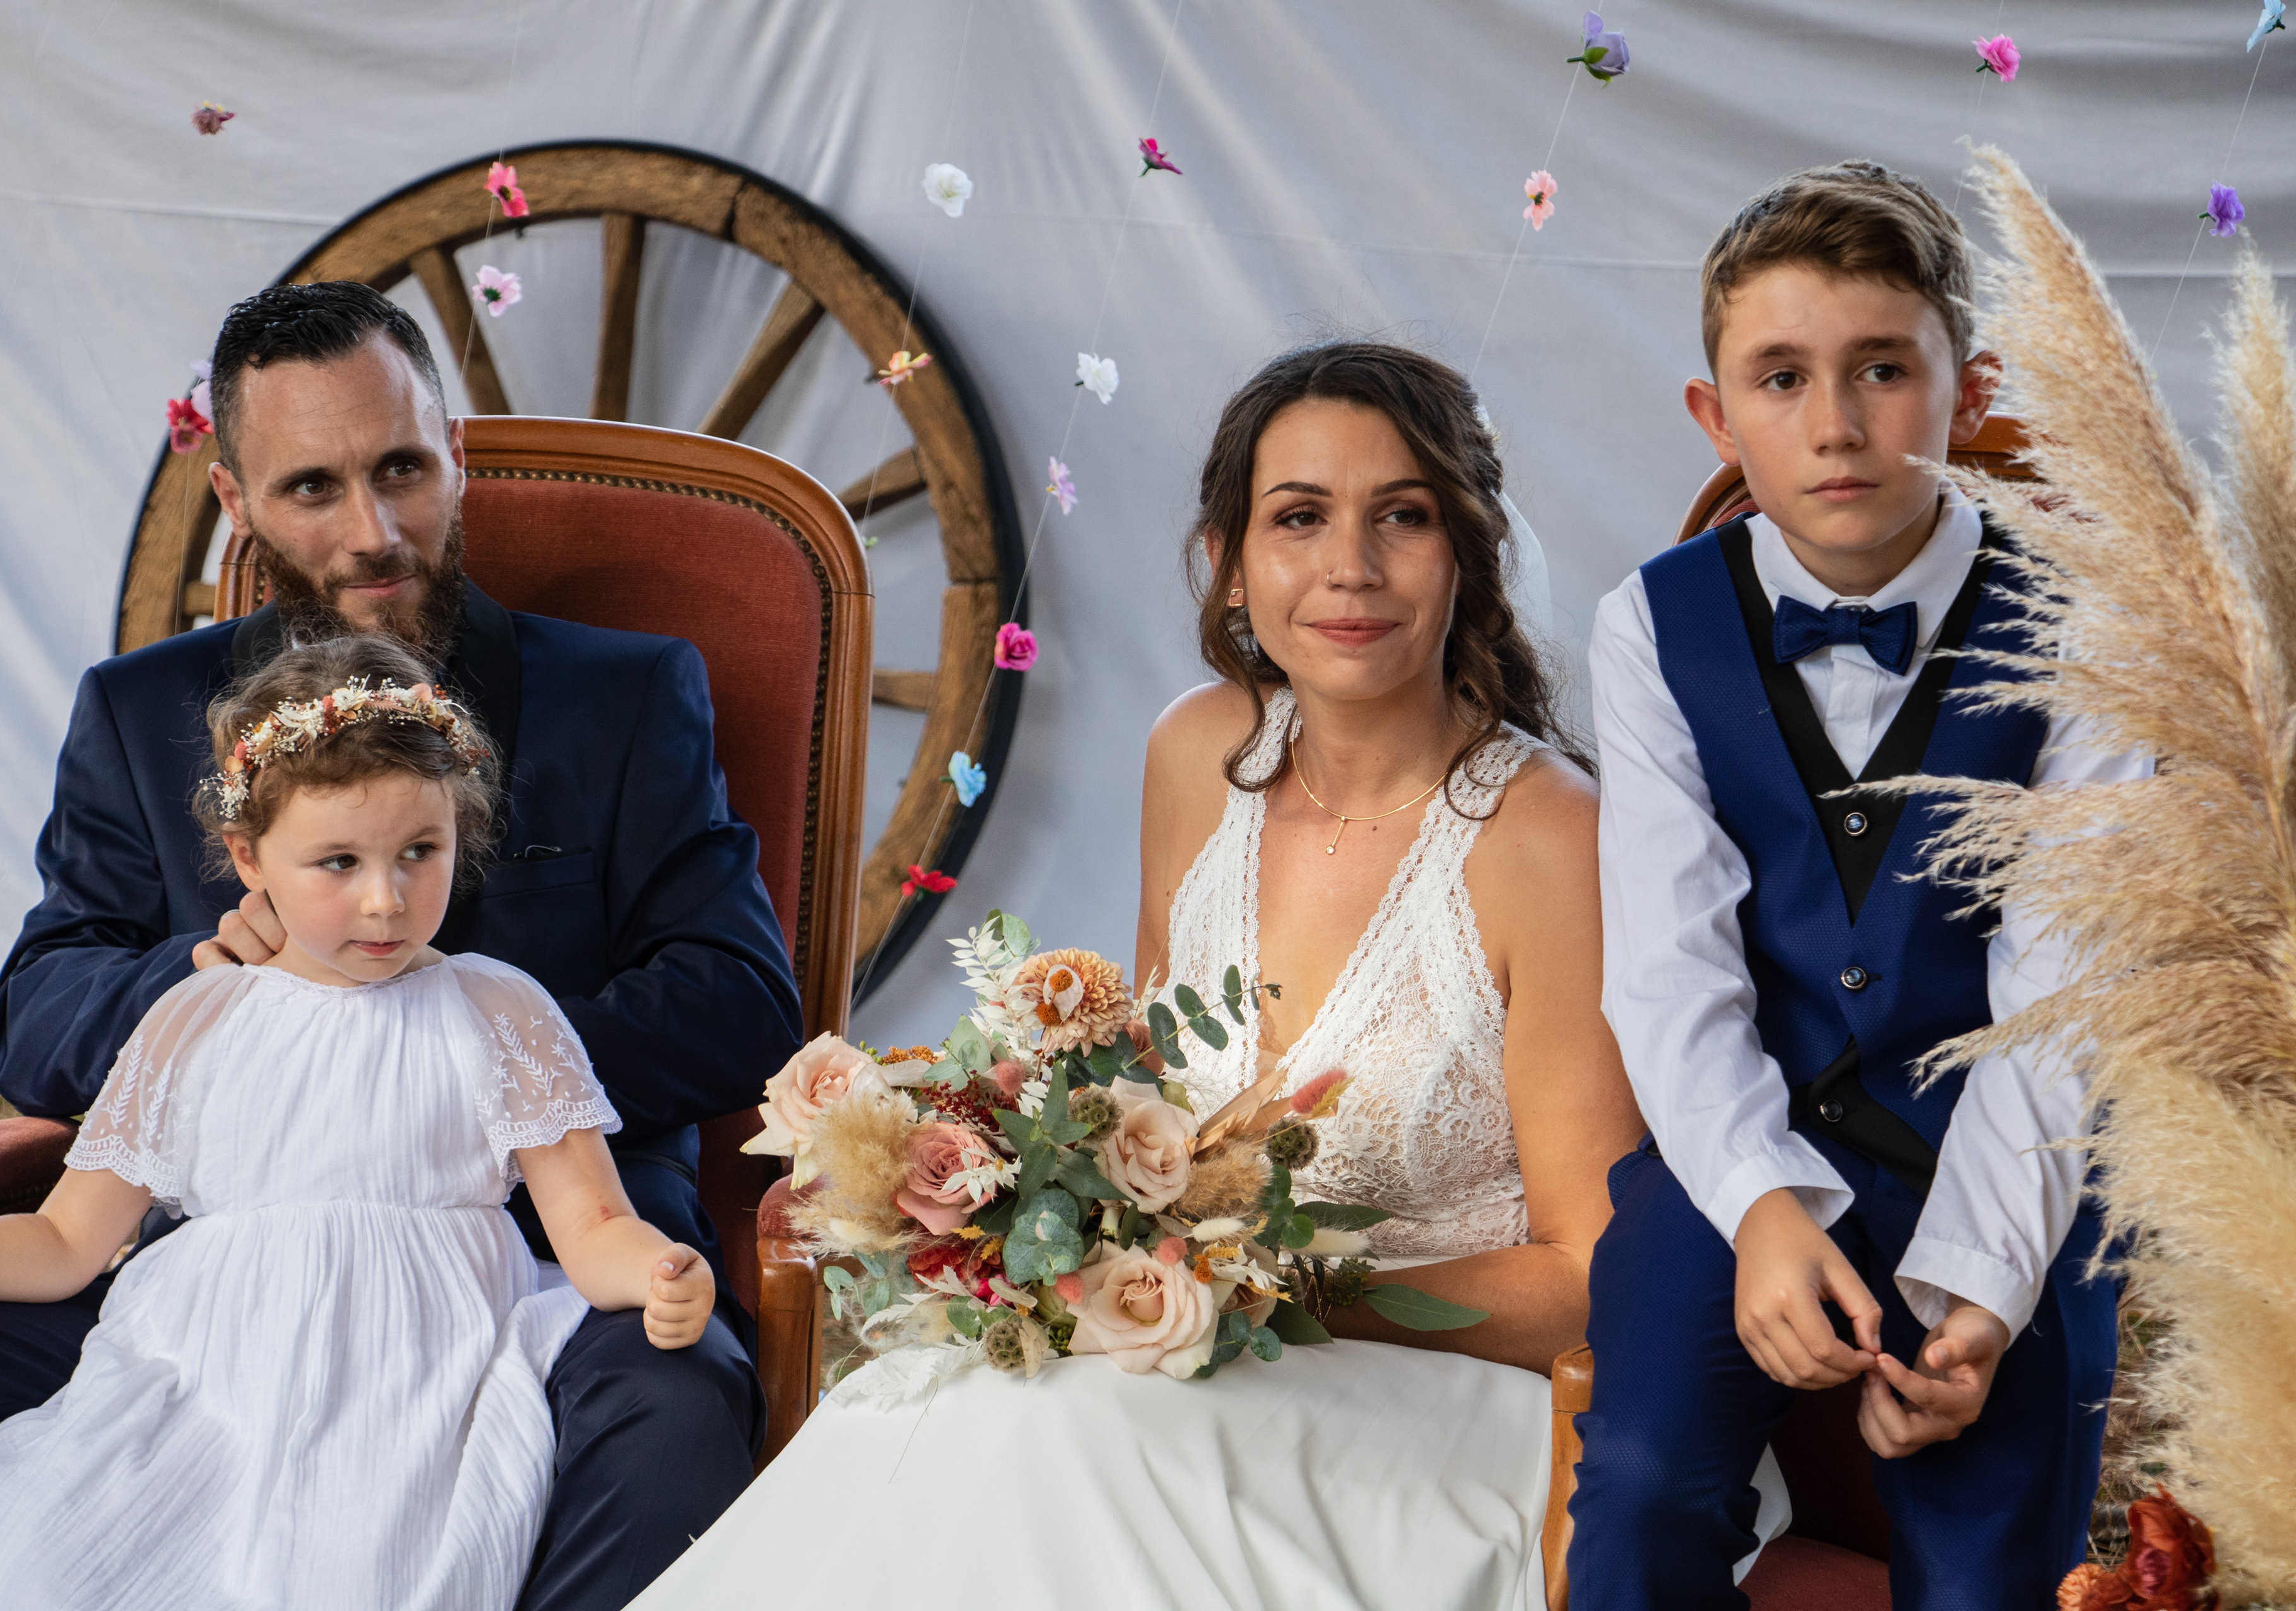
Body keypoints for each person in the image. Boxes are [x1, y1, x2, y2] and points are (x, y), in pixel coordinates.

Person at [628, 342, 1767, 1610]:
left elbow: (1589, 1280)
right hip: (1178, 1366)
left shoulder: (1550, 841)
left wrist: (1265, 1294)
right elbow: (1146, 1107)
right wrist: (1036, 1203)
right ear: (1230, 559)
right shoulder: (1198, 754)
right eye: (1300, 517)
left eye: (1403, 516)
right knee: (932, 1414)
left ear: (1470, 551)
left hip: (1455, 1411)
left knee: (1056, 1442)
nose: (1350, 565)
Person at [0, 283, 803, 1611]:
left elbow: (741, 996)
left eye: (403, 469)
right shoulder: (139, 712)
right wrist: (223, 992)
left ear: (455, 453)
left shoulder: (630, 693)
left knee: (675, 1408)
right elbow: (38, 1010)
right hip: (203, 1272)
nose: (374, 532)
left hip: (552, 1257)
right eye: (313, 487)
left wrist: (461, 1052)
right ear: (236, 498)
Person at [1570, 161, 2134, 1608]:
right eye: (1781, 377)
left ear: (1967, 387)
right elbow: (1671, 970)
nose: (1833, 424)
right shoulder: (1650, 625)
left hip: (2000, 1151)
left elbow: (2064, 1000)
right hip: (1738, 1134)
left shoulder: (2090, 623)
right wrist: (1761, 1203)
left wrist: (1981, 1288)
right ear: (1716, 414)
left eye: (1883, 368)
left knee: (1991, 1566)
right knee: (1640, 1491)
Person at [0, 636, 714, 1609]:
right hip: (204, 1372)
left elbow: (593, 1223)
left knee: (350, 1574)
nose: (386, 899)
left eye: (420, 852)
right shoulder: (195, 1022)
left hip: (417, 1377)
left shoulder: (499, 1012)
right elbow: (67, 1240)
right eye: (339, 862)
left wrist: (657, 1271)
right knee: (56, 1565)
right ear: (251, 858)